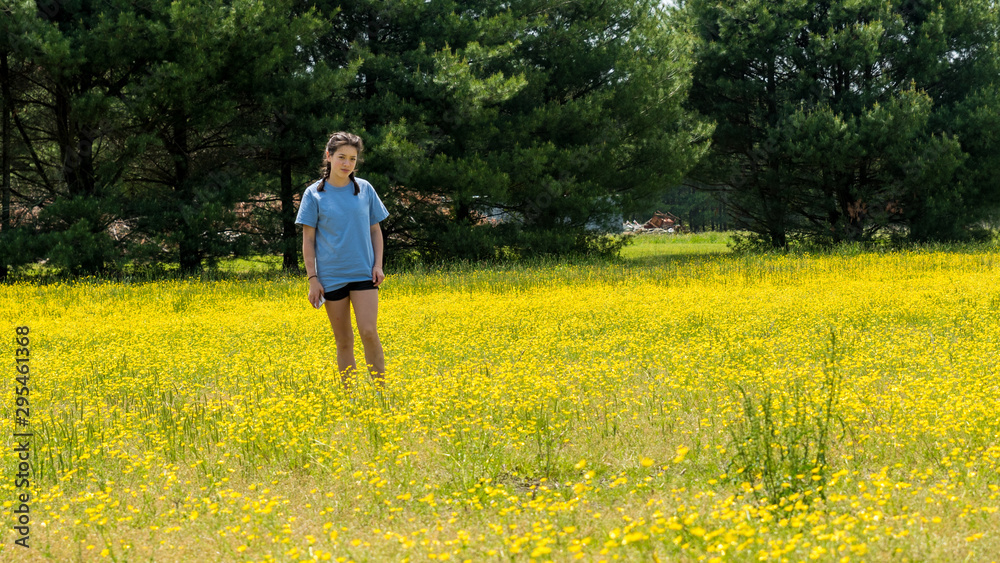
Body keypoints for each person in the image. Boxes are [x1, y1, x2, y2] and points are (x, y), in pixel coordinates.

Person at [295, 131, 390, 387]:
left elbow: (375, 231)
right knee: (344, 340)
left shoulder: (365, 189)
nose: (346, 163)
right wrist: (313, 279)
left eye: (352, 158)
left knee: (369, 332)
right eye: (341, 157)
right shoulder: (313, 194)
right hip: (330, 277)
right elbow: (308, 241)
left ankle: (382, 392)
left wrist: (378, 265)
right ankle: (349, 397)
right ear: (328, 156)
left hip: (363, 273)